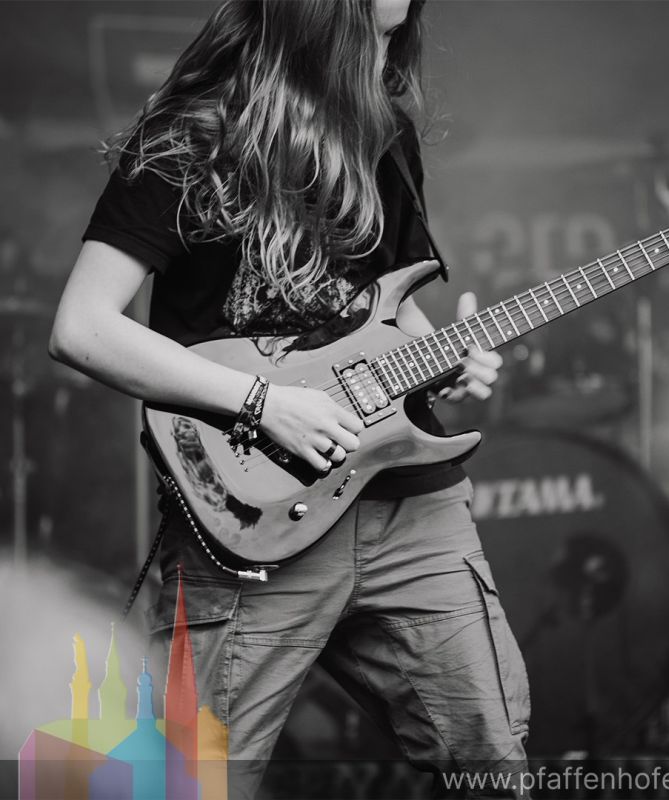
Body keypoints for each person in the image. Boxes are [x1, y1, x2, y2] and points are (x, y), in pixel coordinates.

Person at [50, 0, 530, 796]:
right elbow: (82, 327)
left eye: (397, 35)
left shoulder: (385, 135)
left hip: (410, 508)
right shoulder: (190, 139)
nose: (387, 51)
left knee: (492, 767)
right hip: (250, 519)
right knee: (189, 782)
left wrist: (446, 361)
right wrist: (260, 402)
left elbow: (393, 310)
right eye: (370, 29)